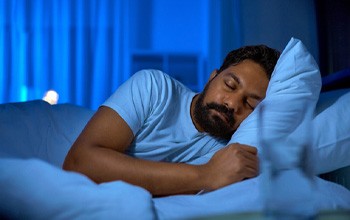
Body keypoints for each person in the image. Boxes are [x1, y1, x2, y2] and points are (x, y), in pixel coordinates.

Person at [63, 45, 280, 197]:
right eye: (230, 85)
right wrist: (206, 174)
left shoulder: (233, 149)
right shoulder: (154, 88)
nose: (232, 104)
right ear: (212, 77)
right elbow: (78, 163)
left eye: (250, 104)